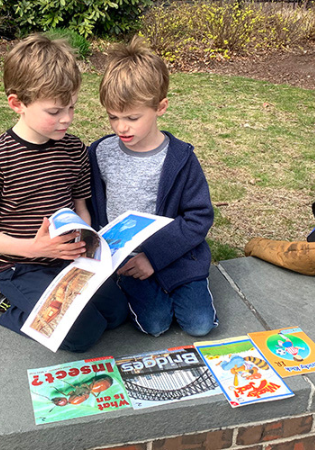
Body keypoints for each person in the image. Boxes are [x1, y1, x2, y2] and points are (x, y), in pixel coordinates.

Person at [0, 34, 127, 353]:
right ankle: (3, 300)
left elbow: (81, 207)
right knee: (83, 335)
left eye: (71, 107)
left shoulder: (73, 149)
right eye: (54, 111)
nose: (66, 118)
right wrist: (33, 247)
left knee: (117, 314)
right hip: (19, 266)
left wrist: (87, 242)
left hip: (67, 259)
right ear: (17, 103)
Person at [87, 36, 218, 338]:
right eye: (113, 117)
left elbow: (198, 217)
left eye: (132, 117)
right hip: (128, 262)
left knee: (199, 325)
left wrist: (154, 258)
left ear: (160, 107)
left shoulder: (180, 158)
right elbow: (93, 208)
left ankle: (185, 287)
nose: (121, 127)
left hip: (177, 255)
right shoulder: (100, 153)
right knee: (155, 324)